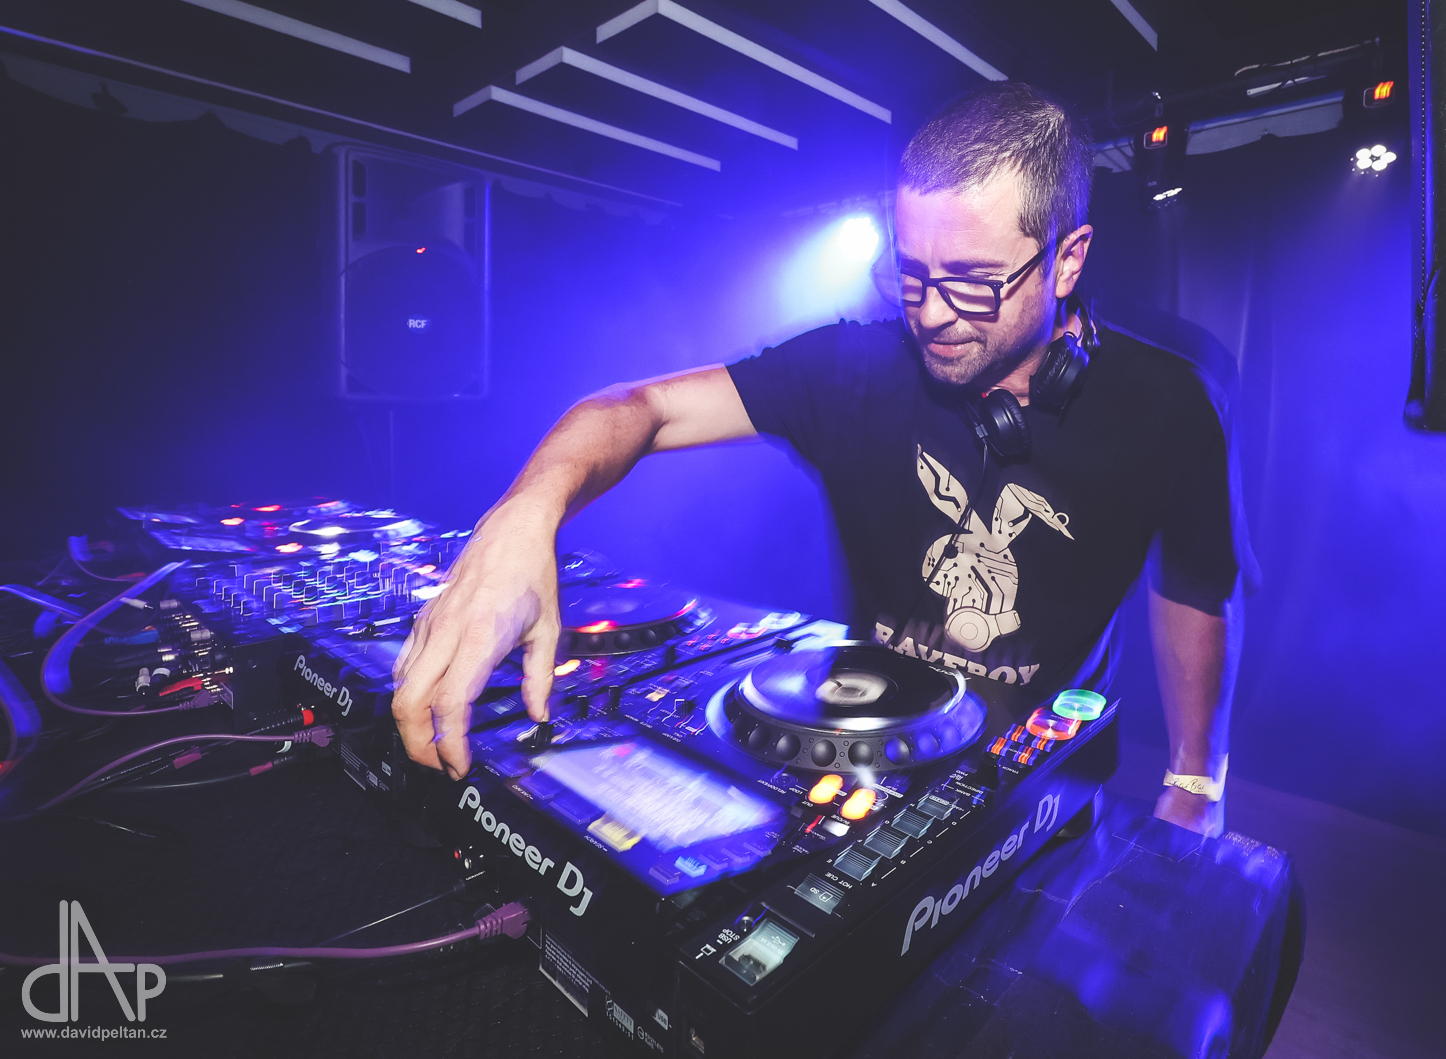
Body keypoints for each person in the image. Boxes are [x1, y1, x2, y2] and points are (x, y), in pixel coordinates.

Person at [390, 82, 1246, 837]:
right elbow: (640, 409)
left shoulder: (1168, 406)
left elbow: (1196, 590)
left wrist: (1194, 778)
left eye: (973, 279)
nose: (932, 314)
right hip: (867, 761)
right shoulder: (853, 370)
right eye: (912, 275)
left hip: (1046, 790)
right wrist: (524, 515)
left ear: (1067, 260)